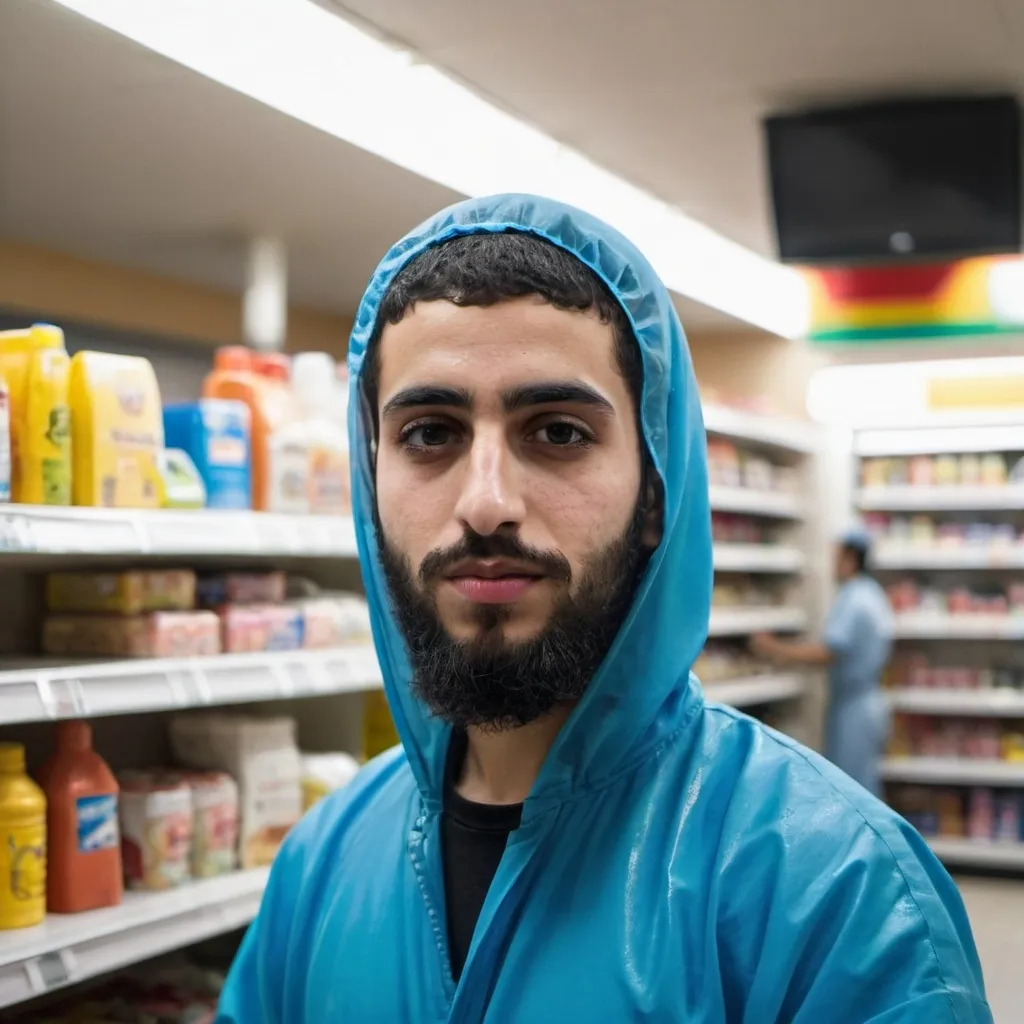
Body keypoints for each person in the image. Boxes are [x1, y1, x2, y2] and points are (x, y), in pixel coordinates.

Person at [216, 195, 989, 1022]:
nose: (486, 504)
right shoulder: (321, 863)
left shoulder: (838, 891)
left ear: (655, 491)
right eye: (430, 434)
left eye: (557, 433)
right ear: (372, 488)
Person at [751, 529, 893, 796]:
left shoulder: (853, 598)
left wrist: (773, 648)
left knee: (852, 793)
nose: (833, 565)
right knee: (863, 787)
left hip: (854, 710)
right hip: (866, 705)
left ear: (850, 559)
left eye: (836, 557)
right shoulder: (872, 593)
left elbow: (828, 652)